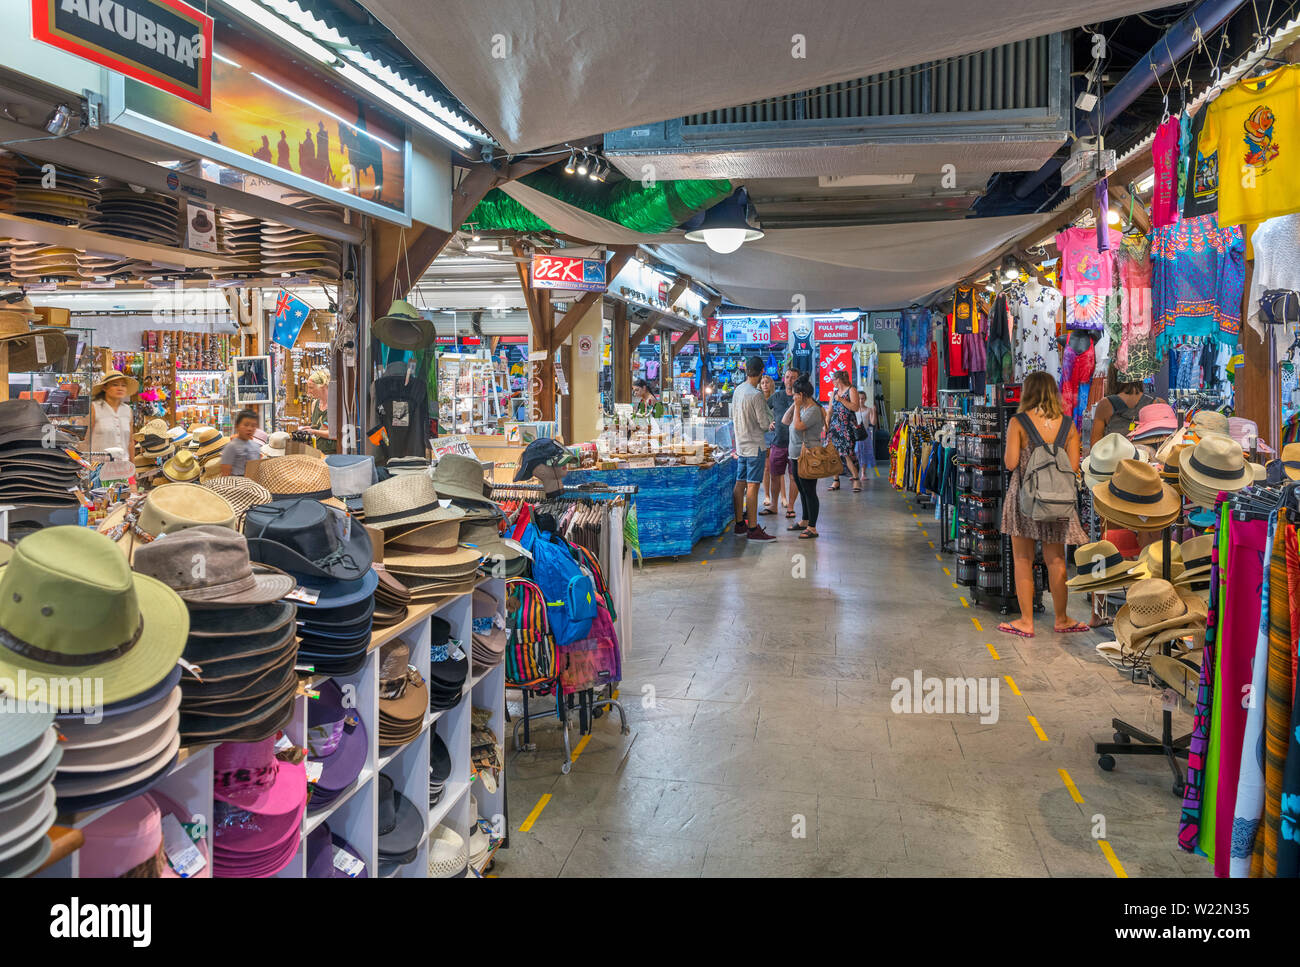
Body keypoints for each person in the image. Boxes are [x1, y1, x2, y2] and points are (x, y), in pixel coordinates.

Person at [999, 371, 1089, 638]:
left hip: (1024, 498)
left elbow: (1011, 463)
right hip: (1058, 501)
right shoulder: (1068, 426)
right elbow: (1073, 468)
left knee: (1023, 559)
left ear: (1027, 392)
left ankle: (1026, 621)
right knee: (1057, 559)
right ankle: (1061, 618)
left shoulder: (1019, 422)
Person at [731, 356, 775, 541]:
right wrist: (770, 422)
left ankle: (740, 524)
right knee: (753, 487)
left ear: (746, 369)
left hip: (741, 444)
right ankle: (753, 528)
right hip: (755, 445)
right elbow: (764, 423)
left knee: (739, 483)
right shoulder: (756, 394)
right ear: (761, 371)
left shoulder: (738, 390)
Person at [784, 376, 825, 539]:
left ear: (802, 394)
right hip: (795, 454)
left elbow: (799, 426)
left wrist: (798, 405)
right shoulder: (800, 407)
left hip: (808, 455)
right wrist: (796, 405)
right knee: (802, 490)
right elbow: (785, 420)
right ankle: (805, 520)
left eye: (795, 394)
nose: (793, 397)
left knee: (809, 491)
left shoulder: (813, 410)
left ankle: (812, 527)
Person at [1090, 379, 1161, 446]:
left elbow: (1095, 449)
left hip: (1115, 458)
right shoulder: (1158, 404)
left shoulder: (1105, 405)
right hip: (1148, 458)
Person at [765, 370, 796, 519]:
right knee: (775, 476)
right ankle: (773, 505)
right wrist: (768, 422)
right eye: (787, 377)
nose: (789, 380)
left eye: (793, 378)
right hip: (777, 442)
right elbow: (763, 410)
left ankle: (790, 507)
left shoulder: (802, 397)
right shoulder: (776, 396)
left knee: (794, 477)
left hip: (796, 444)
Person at [87, 370, 137, 459]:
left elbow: (130, 442)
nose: (120, 388)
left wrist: (132, 466)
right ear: (104, 388)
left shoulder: (127, 410)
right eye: (115, 385)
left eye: (123, 385)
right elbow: (85, 440)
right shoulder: (94, 408)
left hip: (123, 466)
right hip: (99, 466)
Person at [827, 370, 862, 492]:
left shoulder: (851, 390)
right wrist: (826, 424)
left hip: (847, 427)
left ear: (838, 379)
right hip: (834, 426)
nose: (832, 382)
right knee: (833, 454)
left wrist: (841, 400)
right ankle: (835, 480)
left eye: (833, 379)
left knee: (847, 454)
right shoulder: (834, 393)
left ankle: (856, 479)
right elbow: (830, 410)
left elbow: (855, 407)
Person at [217, 409, 264, 477]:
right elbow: (225, 474)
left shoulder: (256, 446)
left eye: (253, 426)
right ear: (237, 426)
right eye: (246, 425)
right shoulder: (231, 447)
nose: (249, 429)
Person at [301, 368, 336, 454]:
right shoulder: (314, 404)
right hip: (318, 453)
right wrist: (309, 428)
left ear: (322, 387)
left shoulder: (335, 405)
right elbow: (320, 427)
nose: (308, 391)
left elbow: (336, 435)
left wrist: (313, 431)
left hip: (333, 455)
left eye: (311, 388)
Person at [758, 374, 778, 516]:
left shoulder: (776, 398)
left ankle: (780, 497)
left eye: (767, 382)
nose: (765, 385)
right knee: (766, 468)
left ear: (771, 384)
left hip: (775, 435)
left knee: (776, 469)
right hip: (762, 434)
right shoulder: (757, 399)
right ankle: (767, 495)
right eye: (762, 382)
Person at [855, 395, 877, 478]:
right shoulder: (853, 409)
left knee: (864, 452)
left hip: (865, 434)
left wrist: (874, 411)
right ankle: (855, 472)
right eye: (859, 398)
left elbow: (873, 422)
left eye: (862, 398)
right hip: (855, 434)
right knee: (855, 452)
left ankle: (863, 473)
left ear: (865, 399)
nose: (860, 400)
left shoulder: (869, 410)